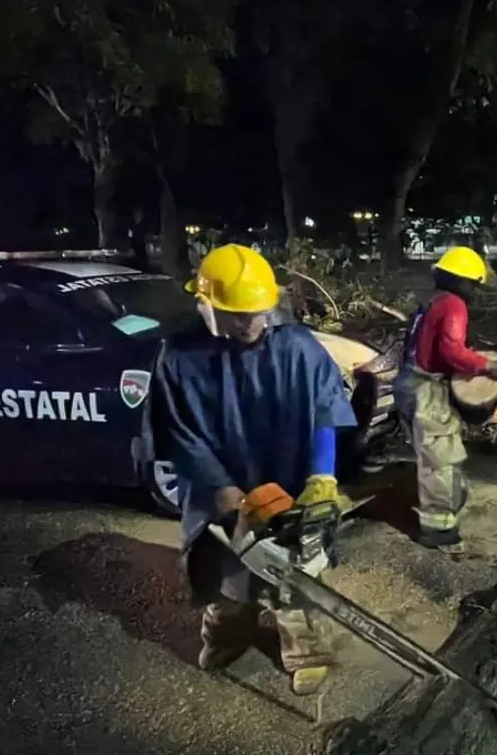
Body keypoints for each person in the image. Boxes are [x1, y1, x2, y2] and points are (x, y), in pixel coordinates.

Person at [154, 243, 359, 696]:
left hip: (288, 477)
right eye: (238, 314)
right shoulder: (179, 357)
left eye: (259, 312)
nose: (251, 323)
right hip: (220, 483)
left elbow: (326, 408)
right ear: (206, 307)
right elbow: (180, 431)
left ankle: (304, 648)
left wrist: (322, 476)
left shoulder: (298, 347)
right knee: (230, 577)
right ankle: (227, 633)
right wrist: (222, 488)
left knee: (297, 576)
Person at [394, 246, 497, 554]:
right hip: (425, 387)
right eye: (474, 284)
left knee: (438, 455)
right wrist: (488, 366)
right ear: (463, 281)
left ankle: (447, 508)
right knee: (439, 460)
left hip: (409, 381)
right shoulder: (454, 305)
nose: (476, 291)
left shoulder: (432, 300)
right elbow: (450, 351)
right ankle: (439, 530)